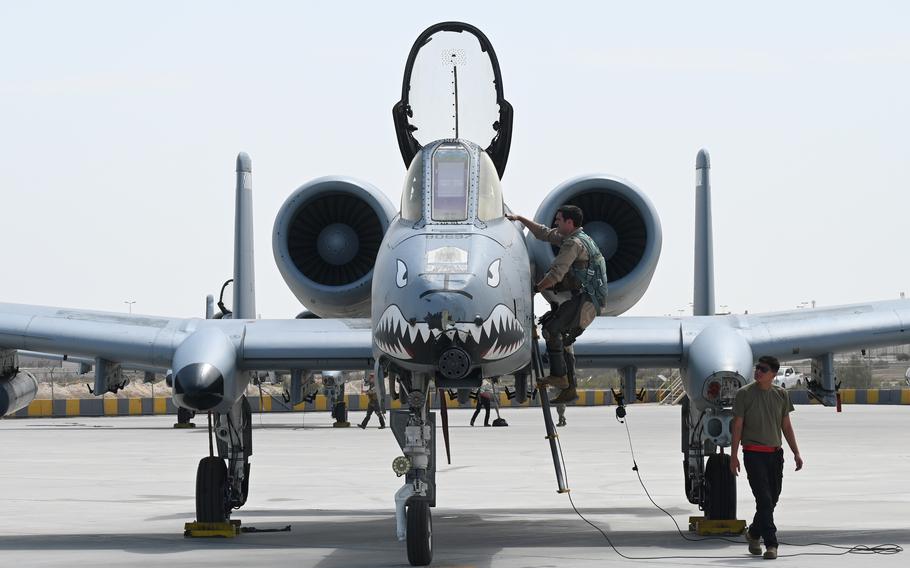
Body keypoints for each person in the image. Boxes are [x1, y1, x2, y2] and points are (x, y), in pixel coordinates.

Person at [507, 206, 600, 404]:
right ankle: (568, 388)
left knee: (551, 330)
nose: (555, 222)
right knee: (563, 338)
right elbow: (544, 233)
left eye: (559, 220)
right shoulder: (578, 238)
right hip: (585, 297)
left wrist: (535, 289)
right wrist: (520, 218)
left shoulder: (573, 244)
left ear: (569, 222)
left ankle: (559, 377)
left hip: (587, 300)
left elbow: (556, 274)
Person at [730, 355, 803, 560]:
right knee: (763, 498)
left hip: (774, 454)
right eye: (757, 368)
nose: (758, 372)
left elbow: (786, 426)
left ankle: (753, 533)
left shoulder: (781, 394)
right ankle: (771, 544)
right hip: (753, 454)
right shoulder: (744, 394)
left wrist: (796, 452)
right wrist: (733, 455)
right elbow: (737, 426)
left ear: (773, 374)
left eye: (763, 369)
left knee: (773, 498)